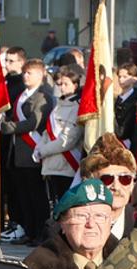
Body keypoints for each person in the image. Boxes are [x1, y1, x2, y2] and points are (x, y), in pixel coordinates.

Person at [1, 58, 53, 245]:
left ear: (40, 74)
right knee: (24, 196)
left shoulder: (43, 96)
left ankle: (40, 233)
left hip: (33, 151)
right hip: (18, 153)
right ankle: (29, 231)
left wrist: (8, 127)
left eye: (29, 73)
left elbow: (34, 122)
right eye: (24, 72)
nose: (25, 76)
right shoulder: (22, 95)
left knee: (37, 196)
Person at [34, 65, 84, 208]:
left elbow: (68, 140)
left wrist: (43, 151)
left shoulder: (77, 107)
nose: (61, 87)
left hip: (66, 164)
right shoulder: (58, 105)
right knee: (54, 205)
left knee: (66, 206)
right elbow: (47, 132)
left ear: (75, 85)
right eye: (59, 84)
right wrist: (39, 148)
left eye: (66, 84)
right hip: (51, 163)